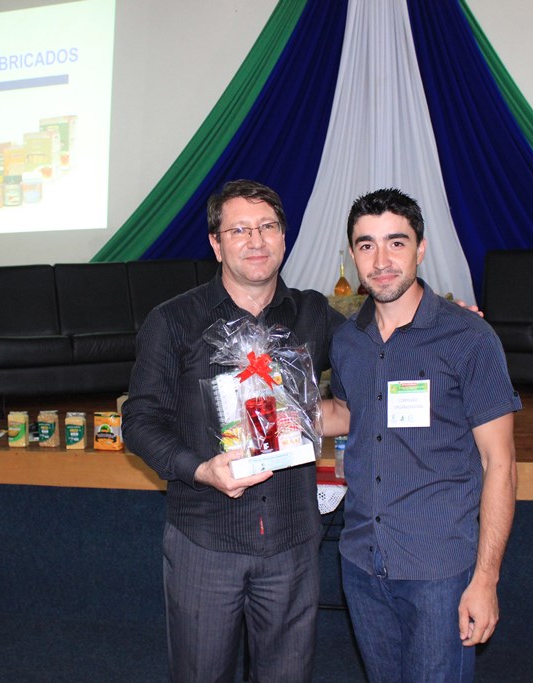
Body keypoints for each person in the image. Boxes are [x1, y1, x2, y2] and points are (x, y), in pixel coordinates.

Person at [122, 179, 347, 683]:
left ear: (284, 237)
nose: (256, 240)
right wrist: (201, 468)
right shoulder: (173, 321)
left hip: (292, 541)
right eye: (239, 230)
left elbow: (379, 348)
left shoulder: (313, 314)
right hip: (206, 539)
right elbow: (138, 422)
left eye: (267, 227)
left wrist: (442, 323)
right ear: (215, 243)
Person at [328, 188, 521, 682]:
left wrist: (486, 579)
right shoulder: (348, 341)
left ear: (421, 249)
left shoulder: (469, 338)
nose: (381, 260)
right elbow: (348, 414)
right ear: (352, 254)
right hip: (361, 562)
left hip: (439, 571)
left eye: (396, 242)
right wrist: (263, 407)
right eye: (367, 245)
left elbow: (500, 463)